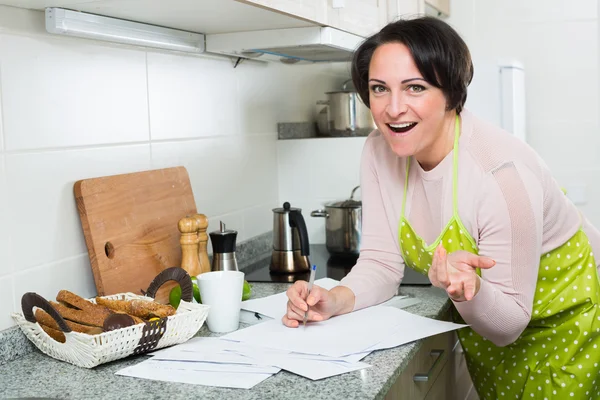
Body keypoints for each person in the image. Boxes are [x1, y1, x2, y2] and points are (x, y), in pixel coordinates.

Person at [283, 16, 600, 399]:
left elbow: (510, 323)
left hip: (562, 326)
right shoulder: (378, 151)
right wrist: (335, 298)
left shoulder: (500, 175)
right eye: (379, 89)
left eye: (415, 87)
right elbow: (381, 263)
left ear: (450, 93)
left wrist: (466, 292)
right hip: (484, 329)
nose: (393, 108)